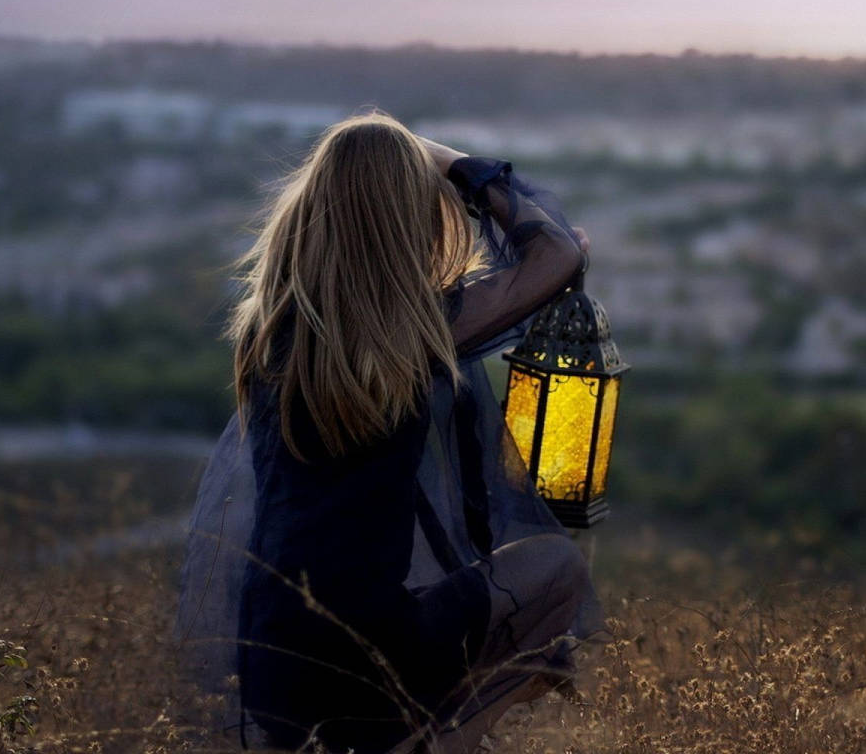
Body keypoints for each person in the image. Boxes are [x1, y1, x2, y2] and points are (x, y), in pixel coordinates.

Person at [176, 110, 605, 753]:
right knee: (557, 569)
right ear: (404, 221)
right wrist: (448, 161)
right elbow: (559, 252)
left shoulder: (270, 332)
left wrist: (369, 151)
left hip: (269, 660)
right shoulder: (415, 335)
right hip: (367, 662)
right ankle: (432, 746)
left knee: (420, 596)